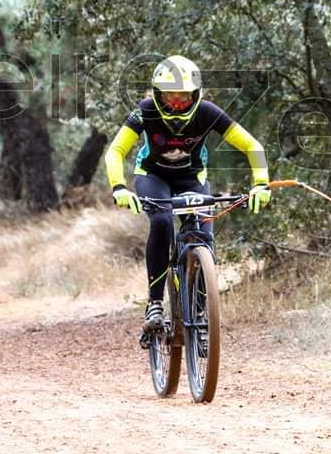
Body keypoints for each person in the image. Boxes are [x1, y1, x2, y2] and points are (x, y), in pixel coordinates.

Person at [104, 54, 271, 331]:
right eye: (170, 98)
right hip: (153, 177)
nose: (177, 103)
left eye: (184, 97)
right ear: (157, 95)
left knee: (203, 236)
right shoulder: (145, 110)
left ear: (196, 95)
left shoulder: (207, 112)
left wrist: (261, 183)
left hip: (192, 179)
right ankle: (155, 304)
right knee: (161, 222)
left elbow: (253, 146)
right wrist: (119, 188)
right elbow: (116, 151)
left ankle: (200, 315)